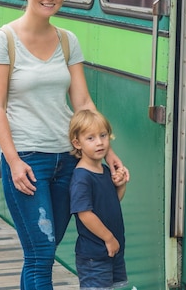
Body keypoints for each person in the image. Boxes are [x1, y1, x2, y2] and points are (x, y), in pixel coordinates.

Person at [0, 0, 125, 290]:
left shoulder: (66, 40)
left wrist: (109, 153)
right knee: (41, 252)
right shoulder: (2, 40)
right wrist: (13, 162)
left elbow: (83, 103)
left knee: (43, 251)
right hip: (28, 161)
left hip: (67, 158)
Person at [69, 109, 129, 290]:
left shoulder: (103, 170)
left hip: (112, 251)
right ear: (77, 143)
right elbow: (84, 214)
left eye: (103, 135)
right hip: (94, 256)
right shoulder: (82, 177)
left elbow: (112, 203)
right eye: (91, 138)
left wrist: (122, 185)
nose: (99, 142)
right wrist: (109, 238)